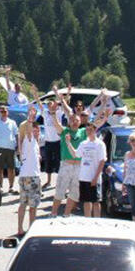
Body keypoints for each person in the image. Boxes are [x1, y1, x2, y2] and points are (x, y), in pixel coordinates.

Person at [48, 88, 86, 217]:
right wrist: (53, 113)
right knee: (60, 191)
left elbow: (97, 122)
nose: (74, 122)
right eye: (72, 120)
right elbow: (56, 124)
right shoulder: (64, 132)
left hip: (79, 167)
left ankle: (66, 214)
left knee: (75, 193)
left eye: (77, 121)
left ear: (80, 122)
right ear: (69, 122)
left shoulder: (84, 132)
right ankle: (53, 214)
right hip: (66, 165)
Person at [15, 106, 42, 235]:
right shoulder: (29, 140)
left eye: (38, 131)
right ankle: (30, 229)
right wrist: (30, 119)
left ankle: (20, 228)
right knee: (32, 206)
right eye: (35, 131)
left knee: (23, 204)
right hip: (32, 177)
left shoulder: (33, 143)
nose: (37, 132)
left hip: (25, 176)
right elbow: (29, 132)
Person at [77, 122, 107, 218]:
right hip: (84, 177)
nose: (88, 132)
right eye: (87, 130)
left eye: (91, 130)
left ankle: (97, 221)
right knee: (86, 201)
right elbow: (76, 154)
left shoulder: (100, 144)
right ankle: (87, 220)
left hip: (94, 178)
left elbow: (102, 161)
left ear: (95, 130)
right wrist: (68, 143)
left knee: (96, 201)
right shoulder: (83, 143)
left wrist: (96, 177)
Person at [0, 104, 19, 194]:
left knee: (11, 168)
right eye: (2, 111)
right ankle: (0, 187)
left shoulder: (12, 122)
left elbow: (16, 134)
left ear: (7, 112)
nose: (4, 113)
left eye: (5, 111)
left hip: (10, 148)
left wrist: (18, 145)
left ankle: (11, 187)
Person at [38, 95, 65, 190]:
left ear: (55, 105)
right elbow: (39, 104)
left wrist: (63, 94)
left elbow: (65, 103)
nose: (50, 106)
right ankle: (48, 181)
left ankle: (59, 181)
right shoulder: (45, 113)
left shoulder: (59, 112)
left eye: (52, 104)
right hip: (48, 141)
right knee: (48, 162)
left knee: (58, 162)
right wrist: (35, 94)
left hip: (57, 141)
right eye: (48, 105)